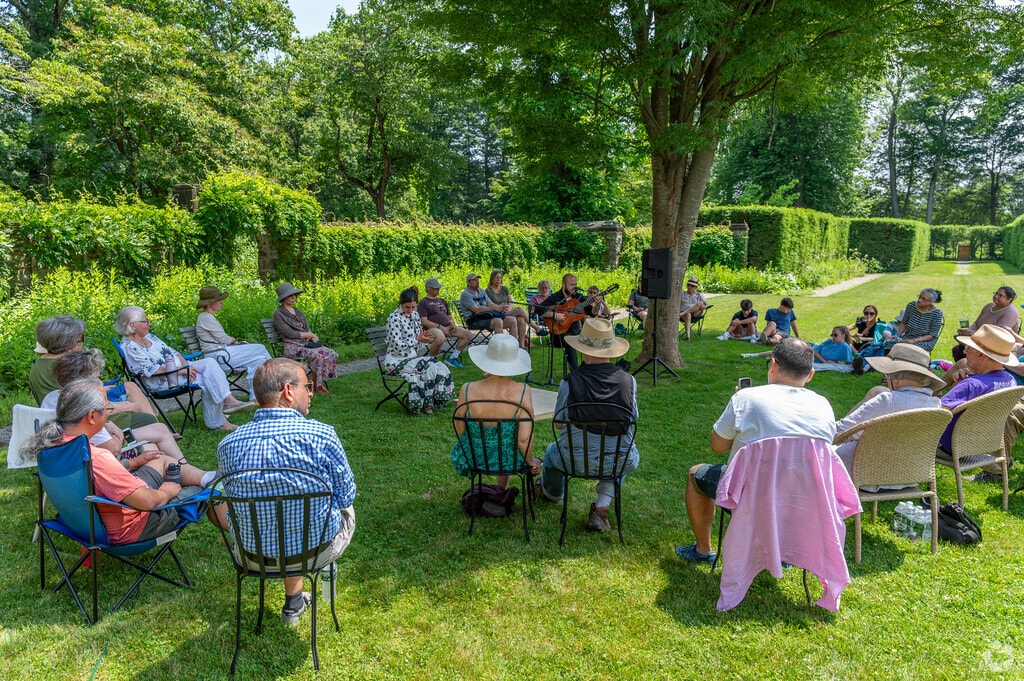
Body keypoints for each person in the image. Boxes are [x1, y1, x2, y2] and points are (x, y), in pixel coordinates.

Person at [215, 358, 356, 626]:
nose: (312, 392)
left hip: (253, 557)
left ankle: (294, 600)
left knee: (264, 512)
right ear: (288, 391)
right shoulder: (322, 435)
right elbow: (346, 495)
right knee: (340, 506)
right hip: (316, 551)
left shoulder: (228, 444)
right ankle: (318, 591)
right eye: (308, 386)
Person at [676, 338, 835, 565]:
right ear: (810, 374)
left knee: (695, 474)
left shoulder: (746, 399)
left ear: (773, 365)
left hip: (748, 495)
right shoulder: (823, 406)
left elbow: (717, 446)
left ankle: (703, 551)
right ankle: (783, 552)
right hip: (801, 497)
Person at [21, 378, 214, 545]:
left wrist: (132, 464)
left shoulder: (51, 444)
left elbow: (94, 479)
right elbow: (148, 502)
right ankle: (240, 546)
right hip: (129, 529)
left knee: (162, 461)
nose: (109, 414)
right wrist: (168, 490)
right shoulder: (97, 457)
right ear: (92, 416)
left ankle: (206, 477)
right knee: (213, 490)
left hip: (83, 524)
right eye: (107, 409)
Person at [535, 318, 638, 533]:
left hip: (573, 460)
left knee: (551, 452)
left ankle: (552, 494)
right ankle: (602, 507)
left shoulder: (569, 381)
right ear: (611, 349)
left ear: (582, 350)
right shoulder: (629, 381)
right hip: (616, 459)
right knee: (623, 454)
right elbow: (631, 420)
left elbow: (559, 424)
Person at [116, 306, 254, 432]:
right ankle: (221, 418)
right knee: (209, 377)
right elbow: (152, 370)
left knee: (209, 364)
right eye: (145, 321)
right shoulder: (129, 347)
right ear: (133, 326)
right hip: (162, 381)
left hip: (179, 370)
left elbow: (173, 352)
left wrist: (185, 366)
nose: (149, 323)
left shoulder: (149, 337)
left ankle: (227, 403)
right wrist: (180, 371)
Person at [40, 349, 189, 461]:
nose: (101, 381)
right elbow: (113, 448)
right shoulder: (87, 410)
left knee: (159, 429)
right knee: (155, 432)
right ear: (84, 380)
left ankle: (181, 466)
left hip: (69, 453)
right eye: (98, 377)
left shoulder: (51, 398)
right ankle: (179, 468)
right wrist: (115, 430)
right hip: (93, 453)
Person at [834, 344, 945, 475]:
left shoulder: (888, 401)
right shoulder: (935, 405)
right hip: (909, 476)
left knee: (814, 451)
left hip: (868, 475)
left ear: (895, 377)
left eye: (886, 375)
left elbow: (842, 431)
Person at [29, 315, 158, 427]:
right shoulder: (67, 367)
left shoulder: (41, 364)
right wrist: (124, 406)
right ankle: (159, 432)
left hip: (69, 413)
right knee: (147, 420)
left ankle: (159, 432)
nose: (83, 344)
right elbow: (86, 405)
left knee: (129, 386)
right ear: (67, 345)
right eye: (81, 340)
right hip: (85, 419)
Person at [451, 334, 539, 487]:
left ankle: (495, 493)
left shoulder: (468, 388)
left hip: (473, 456)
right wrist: (531, 461)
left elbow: (459, 424)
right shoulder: (522, 391)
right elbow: (523, 439)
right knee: (506, 449)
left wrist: (472, 444)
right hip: (509, 461)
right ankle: (501, 491)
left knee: (498, 448)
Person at [937, 325, 1018, 480]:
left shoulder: (971, 385)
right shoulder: (1010, 381)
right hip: (980, 445)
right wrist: (960, 385)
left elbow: (936, 414)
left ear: (982, 356)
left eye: (968, 348)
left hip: (947, 446)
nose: (964, 351)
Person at [385, 287, 455, 415]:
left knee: (438, 365)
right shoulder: (394, 319)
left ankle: (431, 401)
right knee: (426, 368)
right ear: (400, 303)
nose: (410, 310)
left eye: (413, 307)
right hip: (395, 360)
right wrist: (417, 339)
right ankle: (422, 404)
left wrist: (425, 340)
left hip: (412, 358)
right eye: (407, 307)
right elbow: (397, 346)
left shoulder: (415, 315)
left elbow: (418, 340)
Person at [195, 285, 271, 401]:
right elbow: (223, 339)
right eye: (219, 300)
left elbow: (222, 339)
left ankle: (255, 397)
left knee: (259, 360)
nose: (222, 302)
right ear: (210, 303)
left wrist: (237, 343)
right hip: (217, 356)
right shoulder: (205, 317)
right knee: (260, 348)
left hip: (223, 352)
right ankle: (276, 381)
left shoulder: (208, 317)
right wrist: (235, 341)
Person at [272, 282, 339, 394]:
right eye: (290, 295)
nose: (294, 297)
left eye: (295, 295)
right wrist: (309, 335)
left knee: (330, 353)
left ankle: (310, 381)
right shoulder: (279, 314)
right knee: (318, 355)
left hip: (305, 343)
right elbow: (289, 333)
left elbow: (307, 328)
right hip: (292, 346)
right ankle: (314, 384)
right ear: (283, 298)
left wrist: (311, 337)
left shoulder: (298, 311)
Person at [416, 277, 473, 368]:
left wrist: (452, 324)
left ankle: (452, 358)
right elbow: (424, 321)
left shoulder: (442, 301)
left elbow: (449, 316)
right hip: (432, 329)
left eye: (439, 288)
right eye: (436, 288)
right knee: (440, 338)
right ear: (429, 289)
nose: (438, 289)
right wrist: (440, 327)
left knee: (468, 335)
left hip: (448, 327)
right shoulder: (424, 302)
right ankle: (431, 360)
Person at [951, 286, 1019, 362]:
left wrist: (971, 333)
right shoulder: (989, 306)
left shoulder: (1010, 312)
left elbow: (998, 334)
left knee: (968, 351)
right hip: (980, 340)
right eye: (996, 293)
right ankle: (965, 370)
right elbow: (977, 322)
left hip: (997, 345)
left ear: (1008, 300)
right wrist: (967, 331)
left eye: (1000, 295)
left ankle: (973, 371)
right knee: (957, 350)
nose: (996, 296)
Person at [538, 273, 587, 373]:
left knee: (591, 340)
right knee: (570, 342)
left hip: (575, 332)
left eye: (575, 284)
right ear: (563, 285)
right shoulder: (556, 297)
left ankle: (588, 371)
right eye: (571, 285)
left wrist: (597, 304)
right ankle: (575, 374)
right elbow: (539, 309)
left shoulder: (579, 297)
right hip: (558, 334)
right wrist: (555, 315)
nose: (574, 287)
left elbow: (592, 311)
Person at [460, 272, 519, 339]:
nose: (477, 282)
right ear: (468, 282)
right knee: (498, 321)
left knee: (512, 320)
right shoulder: (465, 294)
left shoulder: (481, 291)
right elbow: (476, 310)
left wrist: (499, 307)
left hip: (486, 317)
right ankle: (499, 347)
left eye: (478, 280)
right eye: (474, 280)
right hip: (474, 320)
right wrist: (493, 308)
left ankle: (514, 346)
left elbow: (490, 303)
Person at [484, 269, 530, 349]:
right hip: (497, 314)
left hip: (507, 312)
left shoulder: (504, 289)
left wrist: (509, 306)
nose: (498, 279)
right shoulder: (488, 291)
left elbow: (511, 301)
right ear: (492, 279)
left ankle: (520, 346)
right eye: (496, 277)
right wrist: (500, 307)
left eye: (500, 277)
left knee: (521, 320)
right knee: (519, 309)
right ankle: (535, 327)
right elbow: (489, 304)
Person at [896, 288, 944, 352]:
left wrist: (913, 341)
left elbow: (932, 335)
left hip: (925, 341)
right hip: (909, 336)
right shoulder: (911, 305)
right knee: (889, 343)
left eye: (924, 299)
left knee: (909, 350)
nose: (920, 300)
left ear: (931, 302)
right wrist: (897, 336)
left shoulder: (937, 313)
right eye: (919, 296)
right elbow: (904, 323)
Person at [678, 276, 708, 341]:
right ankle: (688, 337)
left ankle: (683, 313)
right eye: (688, 285)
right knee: (688, 314)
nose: (690, 287)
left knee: (700, 303)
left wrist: (703, 307)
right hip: (684, 316)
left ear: (696, 287)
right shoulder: (682, 294)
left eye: (692, 286)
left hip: (695, 314)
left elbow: (707, 305)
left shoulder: (699, 295)